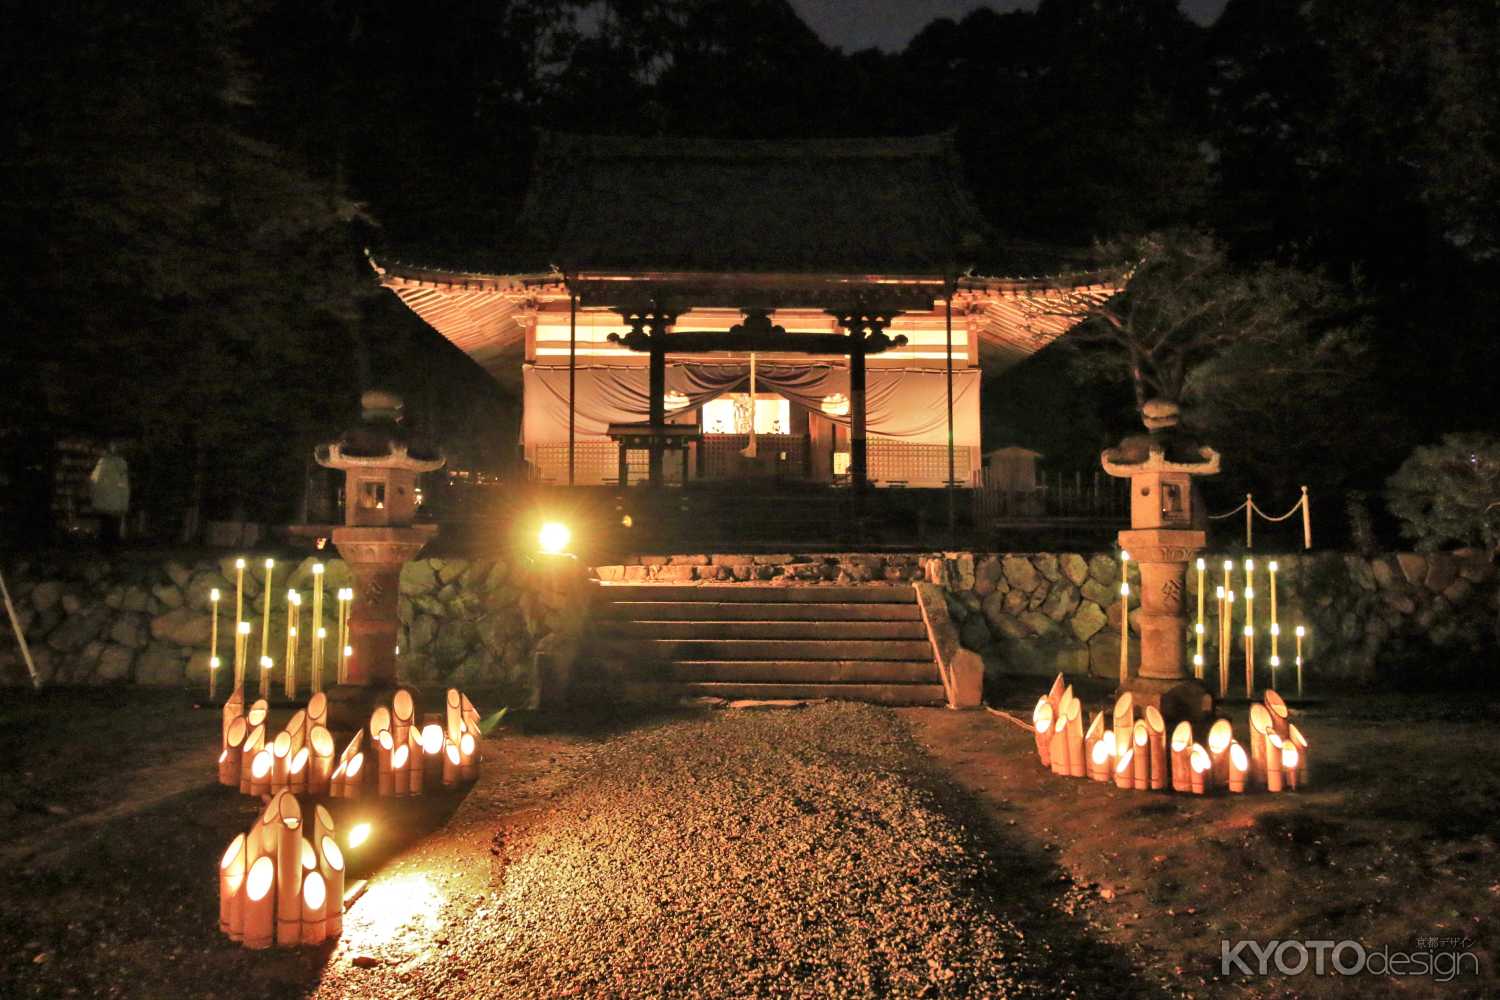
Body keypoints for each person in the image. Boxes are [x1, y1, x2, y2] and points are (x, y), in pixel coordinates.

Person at [89, 442, 130, 547]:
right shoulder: (121, 466)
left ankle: (105, 551)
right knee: (114, 529)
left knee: (105, 528)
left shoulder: (101, 464)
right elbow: (124, 486)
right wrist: (124, 503)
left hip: (102, 503)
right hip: (116, 504)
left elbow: (93, 483)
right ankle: (113, 552)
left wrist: (94, 498)